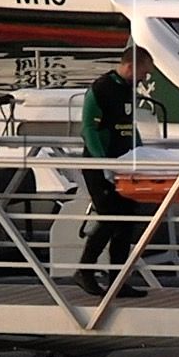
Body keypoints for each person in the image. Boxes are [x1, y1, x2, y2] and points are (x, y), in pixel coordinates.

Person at [75, 46, 153, 298]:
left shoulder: (128, 90)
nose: (144, 79)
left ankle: (118, 280)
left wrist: (141, 152)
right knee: (110, 217)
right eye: (143, 73)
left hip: (125, 164)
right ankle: (84, 270)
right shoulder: (101, 88)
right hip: (101, 166)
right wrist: (103, 163)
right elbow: (89, 129)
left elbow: (130, 127)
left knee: (127, 221)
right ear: (130, 66)